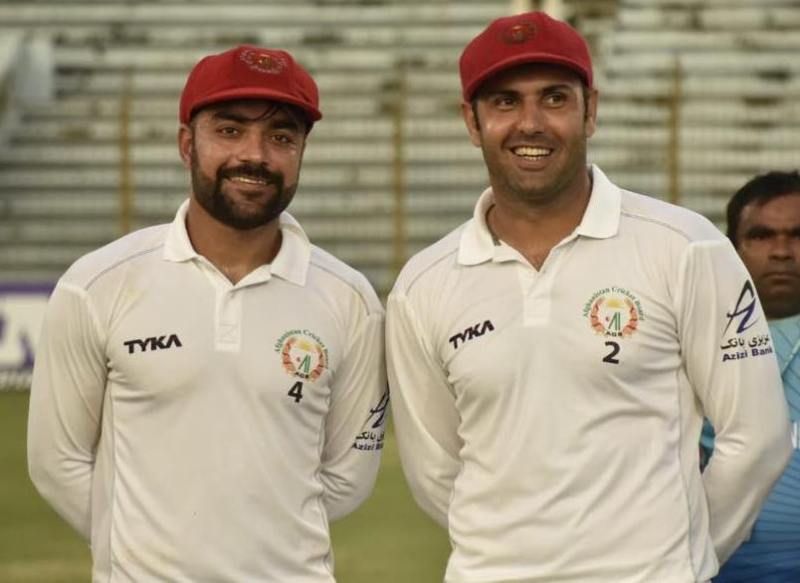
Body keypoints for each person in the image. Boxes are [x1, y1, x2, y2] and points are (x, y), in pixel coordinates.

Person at [386, 12, 792, 583]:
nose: (531, 123)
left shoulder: (686, 247)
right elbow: (436, 471)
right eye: (505, 102)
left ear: (590, 110)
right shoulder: (424, 284)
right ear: (472, 122)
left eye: (555, 98)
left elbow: (758, 437)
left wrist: (685, 559)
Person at [27, 45, 387, 582]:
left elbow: (348, 477)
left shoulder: (350, 299)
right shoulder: (97, 285)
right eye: (229, 130)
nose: (255, 155)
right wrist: (153, 551)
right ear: (185, 144)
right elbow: (57, 461)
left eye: (281, 137)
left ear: (301, 152)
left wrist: (252, 544)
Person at [701, 171, 800, 582]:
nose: (781, 252)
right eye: (761, 236)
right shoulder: (685, 341)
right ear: (733, 249)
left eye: (797, 235)